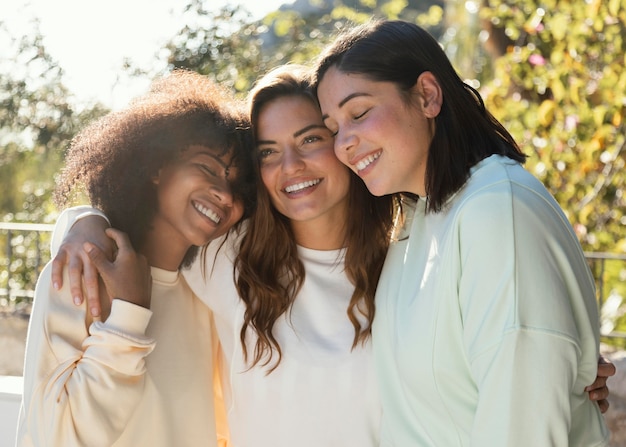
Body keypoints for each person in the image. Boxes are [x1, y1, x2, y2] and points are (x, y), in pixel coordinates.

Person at [49, 65, 614, 446]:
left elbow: (497, 356)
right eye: (269, 151)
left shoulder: (413, 258)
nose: (290, 167)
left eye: (311, 139)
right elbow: (147, 222)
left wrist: (574, 377)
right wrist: (81, 223)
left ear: (345, 145)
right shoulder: (228, 259)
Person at [314, 19, 611, 446]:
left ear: (427, 96)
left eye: (358, 113)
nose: (343, 143)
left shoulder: (496, 212)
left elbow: (520, 428)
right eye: (333, 129)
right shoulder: (417, 223)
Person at [16, 69, 255, 447]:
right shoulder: (81, 272)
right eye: (207, 167)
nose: (225, 194)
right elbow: (58, 437)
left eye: (239, 185)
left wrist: (83, 219)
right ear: (156, 167)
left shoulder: (208, 292)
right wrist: (127, 314)